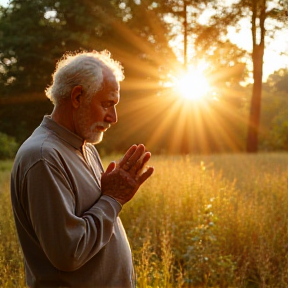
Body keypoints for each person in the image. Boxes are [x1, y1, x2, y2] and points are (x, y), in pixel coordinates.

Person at [10, 50, 154, 288]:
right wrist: (113, 198)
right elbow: (69, 252)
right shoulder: (43, 156)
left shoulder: (85, 148)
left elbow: (97, 220)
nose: (114, 117)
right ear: (77, 97)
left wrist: (111, 198)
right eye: (108, 104)